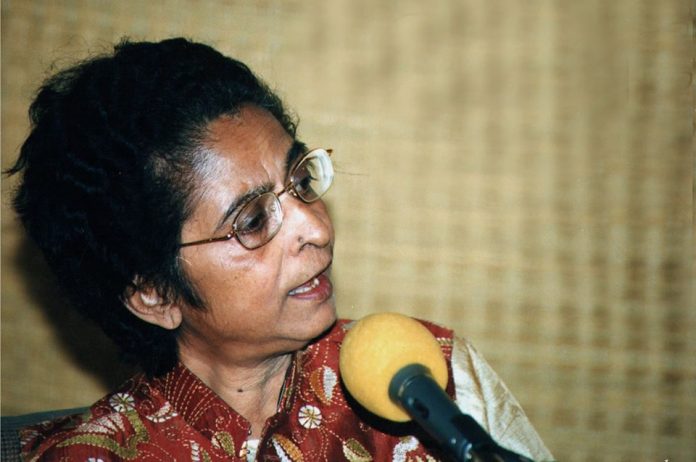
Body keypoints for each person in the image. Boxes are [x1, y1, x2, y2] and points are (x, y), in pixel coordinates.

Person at [8, 38, 553, 461]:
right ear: (153, 294)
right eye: (252, 220)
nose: (315, 227)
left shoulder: (427, 377)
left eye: (301, 181)